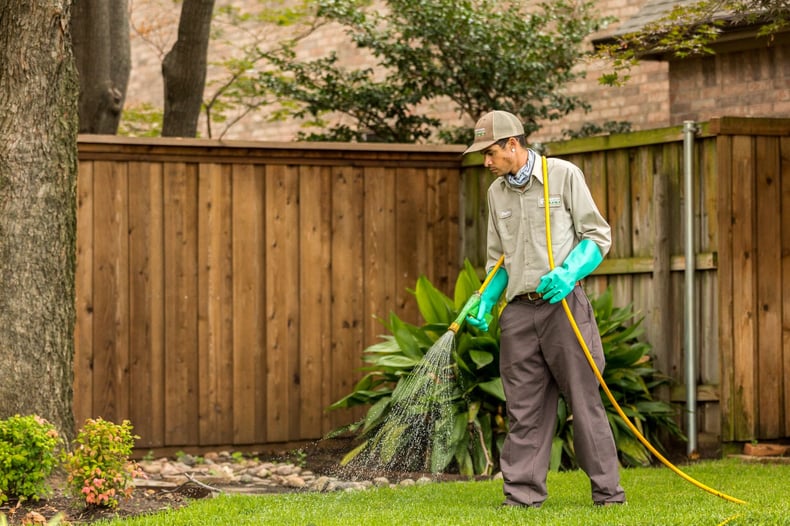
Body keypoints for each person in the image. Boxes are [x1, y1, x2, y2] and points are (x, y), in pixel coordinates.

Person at [463, 110, 626, 508]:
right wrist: (485, 298)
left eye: (490, 153)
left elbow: (596, 235)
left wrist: (569, 272)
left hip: (563, 308)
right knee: (523, 410)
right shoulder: (495, 193)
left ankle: (608, 495)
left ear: (513, 144)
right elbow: (498, 260)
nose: (485, 162)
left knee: (584, 404)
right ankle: (521, 498)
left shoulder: (563, 175)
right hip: (519, 314)